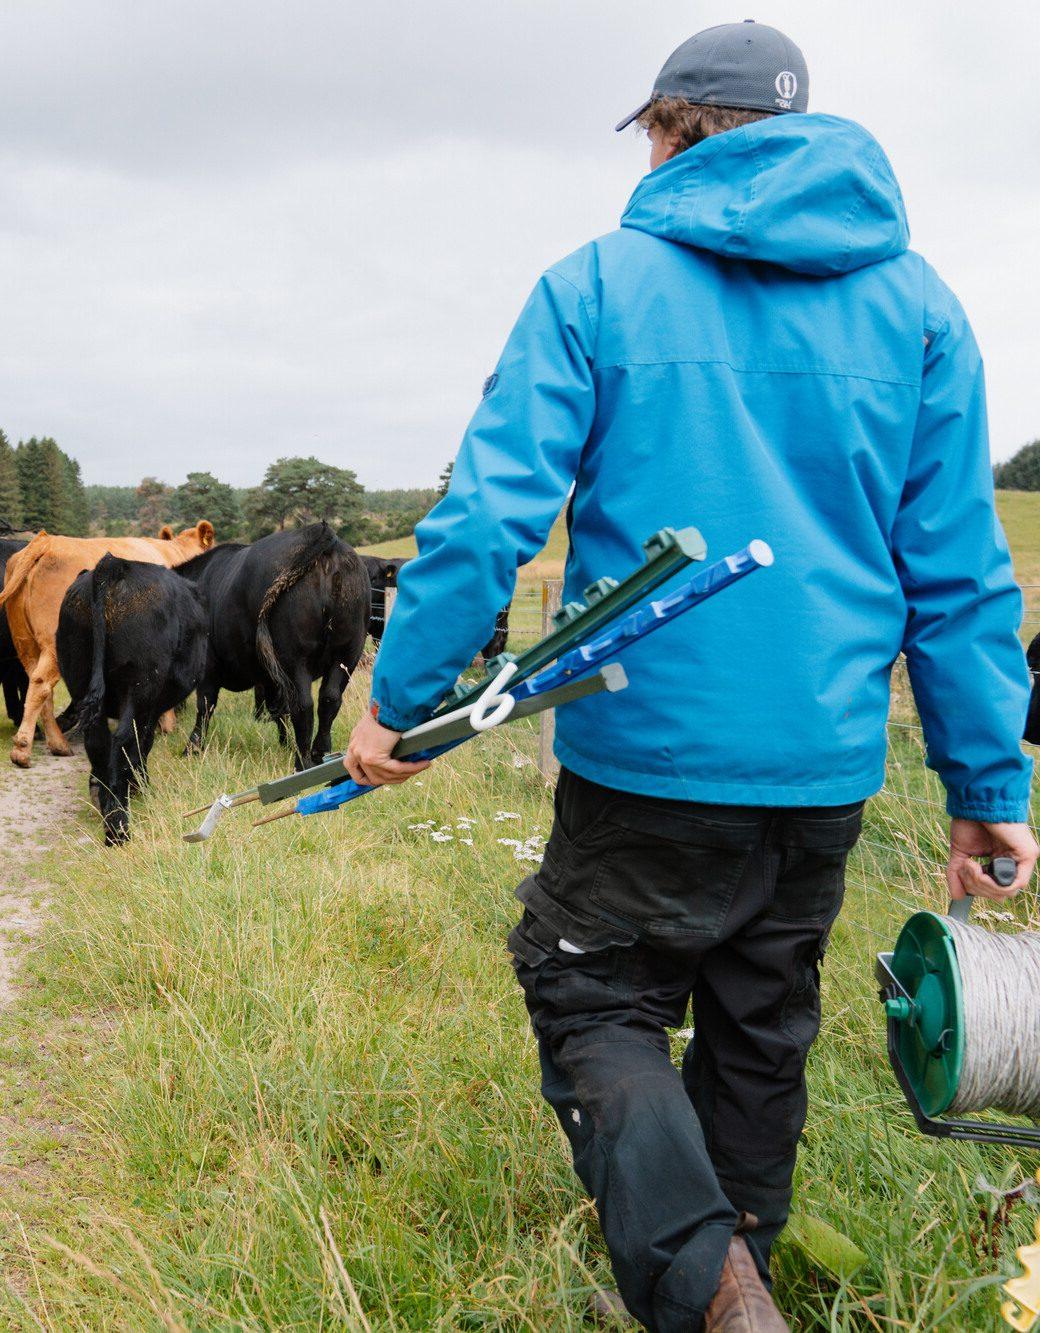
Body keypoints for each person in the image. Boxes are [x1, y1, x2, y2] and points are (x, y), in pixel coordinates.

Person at [343, 20, 1037, 1333]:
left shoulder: (598, 285)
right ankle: (743, 1271)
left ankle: (719, 1299)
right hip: (824, 767)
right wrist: (986, 783)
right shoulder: (922, 307)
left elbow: (489, 515)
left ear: (670, 132)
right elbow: (961, 574)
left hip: (645, 754)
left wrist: (404, 699)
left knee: (588, 987)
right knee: (761, 1027)